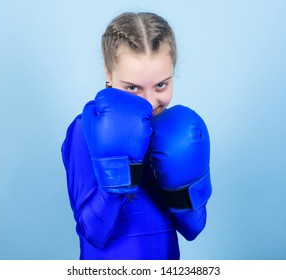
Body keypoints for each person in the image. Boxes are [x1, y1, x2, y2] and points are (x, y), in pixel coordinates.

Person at [61, 12, 212, 260]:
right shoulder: (84, 131)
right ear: (108, 74)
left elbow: (193, 228)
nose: (150, 102)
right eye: (133, 88)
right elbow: (93, 232)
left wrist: (182, 191)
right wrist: (119, 172)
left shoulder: (179, 133)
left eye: (161, 85)